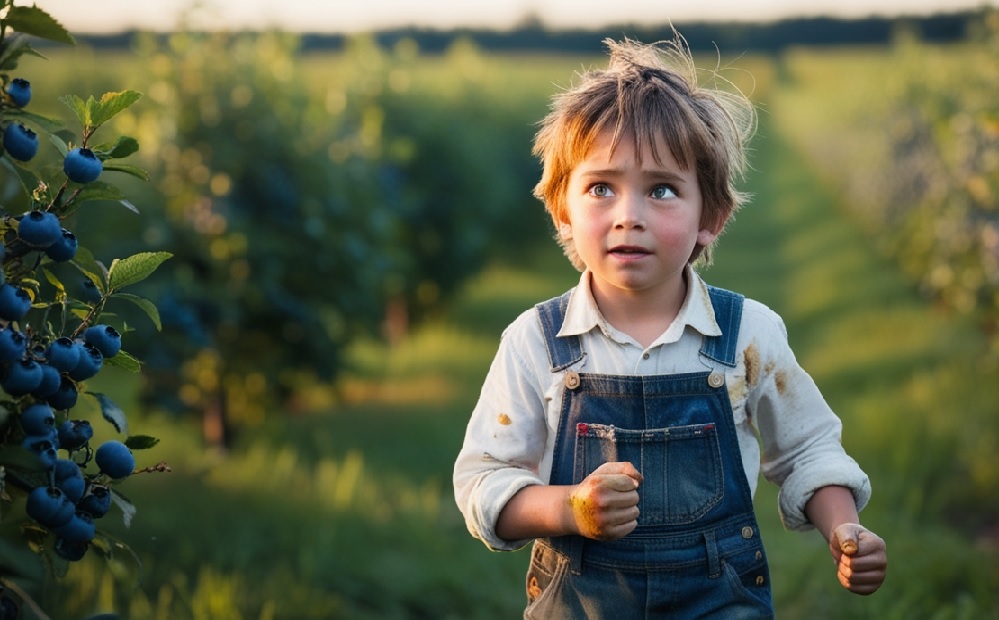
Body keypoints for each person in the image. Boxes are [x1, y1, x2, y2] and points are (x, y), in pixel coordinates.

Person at [452, 34, 887, 618]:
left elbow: (807, 450)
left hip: (717, 602)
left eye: (661, 190)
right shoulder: (536, 343)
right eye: (601, 188)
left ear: (710, 217)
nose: (629, 216)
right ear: (562, 206)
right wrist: (568, 509)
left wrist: (845, 531)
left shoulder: (746, 336)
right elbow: (484, 481)